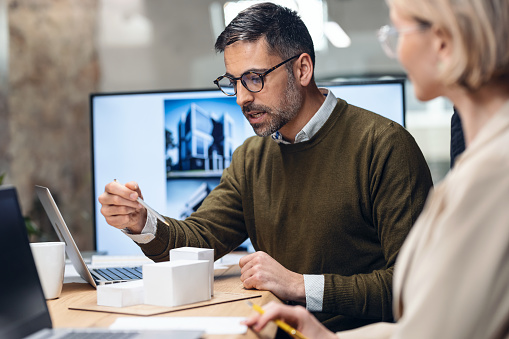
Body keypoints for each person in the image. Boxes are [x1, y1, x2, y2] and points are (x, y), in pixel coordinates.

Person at [98, 2, 433, 332]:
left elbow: (413, 285)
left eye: (254, 78)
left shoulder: (385, 146)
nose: (242, 97)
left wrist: (299, 285)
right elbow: (199, 239)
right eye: (234, 82)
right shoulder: (252, 157)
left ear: (302, 69)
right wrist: (141, 221)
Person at [244, 0, 509, 338]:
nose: (395, 51)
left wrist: (302, 289)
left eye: (397, 32)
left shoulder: (491, 177)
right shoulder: (481, 164)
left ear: (442, 41)